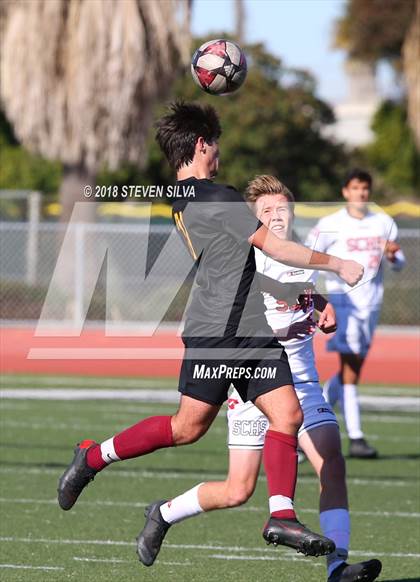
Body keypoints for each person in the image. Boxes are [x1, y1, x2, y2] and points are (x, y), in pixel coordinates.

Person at [57, 102, 363, 559]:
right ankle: (93, 456)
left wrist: (306, 296)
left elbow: (237, 269)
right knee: (187, 427)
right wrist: (337, 264)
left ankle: (280, 515)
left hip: (243, 330)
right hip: (221, 333)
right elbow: (275, 248)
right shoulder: (217, 197)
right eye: (215, 144)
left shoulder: (183, 201)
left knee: (285, 415)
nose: (218, 153)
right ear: (202, 144)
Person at [136, 175, 382, 582]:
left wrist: (317, 302)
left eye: (281, 208)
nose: (276, 215)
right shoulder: (248, 255)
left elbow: (296, 285)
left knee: (331, 464)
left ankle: (337, 567)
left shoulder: (301, 254)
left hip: (301, 382)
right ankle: (163, 513)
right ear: (252, 218)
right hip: (255, 383)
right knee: (238, 489)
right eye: (266, 211)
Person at [307, 169, 405, 458]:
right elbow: (310, 255)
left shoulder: (384, 221)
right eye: (355, 188)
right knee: (351, 370)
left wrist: (394, 255)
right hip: (344, 303)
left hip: (370, 306)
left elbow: (399, 262)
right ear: (345, 191)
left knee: (352, 368)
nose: (360, 193)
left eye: (365, 188)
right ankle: (357, 437)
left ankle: (311, 423)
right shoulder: (331, 223)